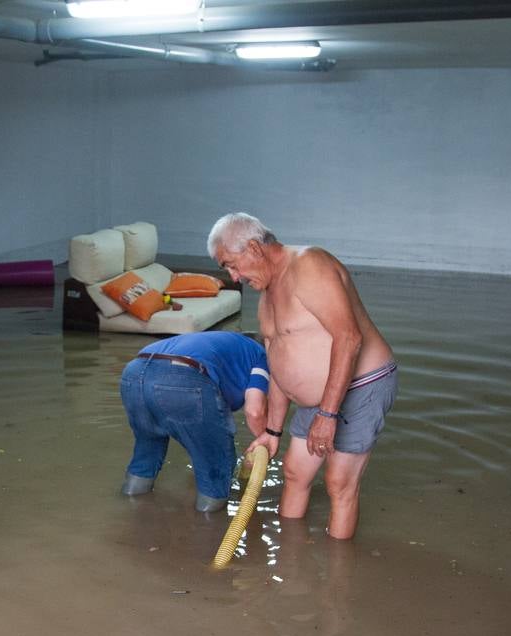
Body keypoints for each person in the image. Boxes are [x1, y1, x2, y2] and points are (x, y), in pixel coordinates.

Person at [208, 213, 395, 540]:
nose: (233, 277)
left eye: (231, 265)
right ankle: (289, 563)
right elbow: (278, 364)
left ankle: (338, 579)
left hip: (361, 384)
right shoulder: (267, 294)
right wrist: (272, 430)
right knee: (294, 474)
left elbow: (349, 338)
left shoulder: (310, 265)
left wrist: (327, 414)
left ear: (253, 248)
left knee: (339, 483)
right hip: (322, 400)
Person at [119, 331, 272, 511]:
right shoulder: (262, 355)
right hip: (182, 377)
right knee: (216, 462)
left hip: (133, 375)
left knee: (147, 450)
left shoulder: (222, 342)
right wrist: (266, 440)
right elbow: (254, 411)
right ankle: (208, 528)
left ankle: (129, 511)